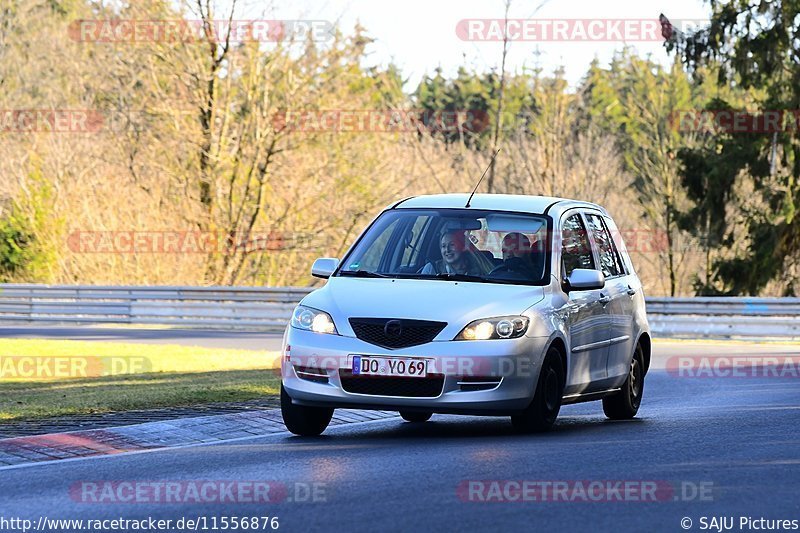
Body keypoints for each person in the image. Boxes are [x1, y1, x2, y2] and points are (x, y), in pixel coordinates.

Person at [420, 229, 485, 275]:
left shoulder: (480, 268)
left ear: (462, 246)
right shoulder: (431, 269)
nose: (447, 250)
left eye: (452, 245)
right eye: (443, 246)